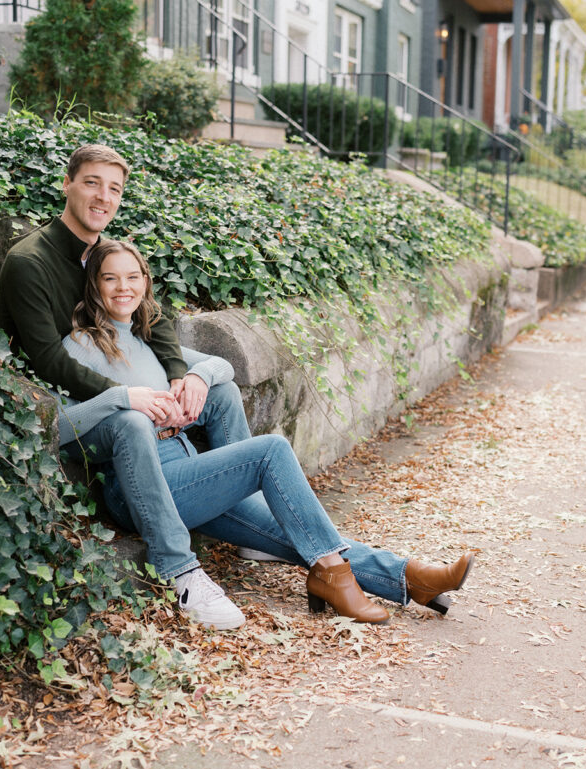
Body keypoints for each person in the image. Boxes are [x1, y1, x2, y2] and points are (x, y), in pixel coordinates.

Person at [56, 238, 477, 625]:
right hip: (140, 487)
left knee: (289, 529)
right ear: (94, 286)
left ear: (145, 282)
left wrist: (198, 378)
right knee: (271, 451)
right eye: (110, 278)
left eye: (132, 277)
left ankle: (412, 578)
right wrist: (125, 398)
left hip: (189, 473)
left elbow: (224, 367)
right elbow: (60, 428)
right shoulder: (80, 346)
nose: (123, 288)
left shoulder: (149, 338)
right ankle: (337, 575)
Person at [0, 144, 253, 630]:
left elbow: (148, 319)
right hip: (81, 403)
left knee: (217, 386)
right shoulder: (29, 261)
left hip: (120, 360)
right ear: (67, 183)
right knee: (136, 417)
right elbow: (49, 357)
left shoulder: (101, 250)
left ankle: (246, 517)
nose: (103, 196)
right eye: (92, 182)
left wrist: (180, 376)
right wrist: (128, 394)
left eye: (114, 188)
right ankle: (180, 569)